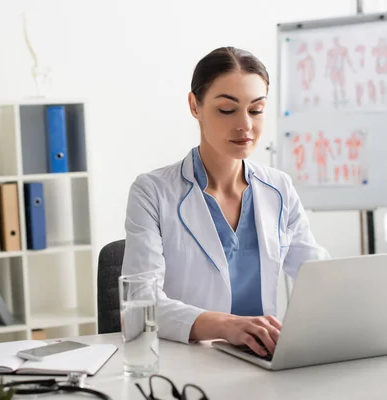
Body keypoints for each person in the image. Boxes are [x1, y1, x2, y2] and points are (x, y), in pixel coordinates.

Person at [121, 46, 330, 358]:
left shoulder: (279, 188)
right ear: (195, 106)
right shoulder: (152, 192)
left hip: (264, 359)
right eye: (227, 110)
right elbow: (139, 306)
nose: (245, 125)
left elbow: (320, 277)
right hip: (191, 362)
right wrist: (226, 326)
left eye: (256, 110)